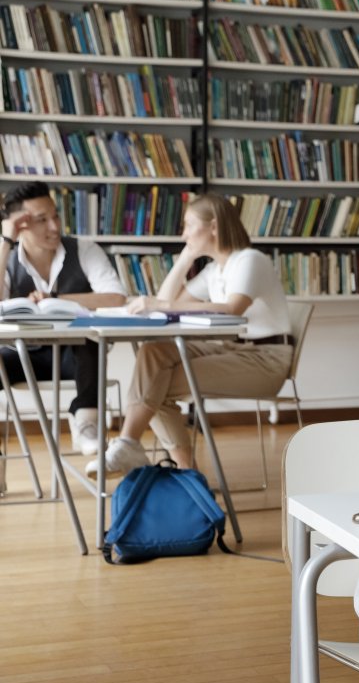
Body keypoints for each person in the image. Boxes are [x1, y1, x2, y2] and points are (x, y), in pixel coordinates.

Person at [89, 193, 293, 475]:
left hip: (266, 360)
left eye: (188, 225)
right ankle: (134, 447)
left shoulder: (249, 259)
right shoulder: (215, 269)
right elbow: (169, 299)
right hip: (232, 350)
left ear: (214, 227)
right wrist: (185, 259)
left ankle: (183, 473)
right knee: (154, 353)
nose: (183, 233)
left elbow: (233, 309)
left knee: (155, 385)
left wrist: (162, 304)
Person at [0, 181, 126, 455]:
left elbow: (116, 298)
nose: (55, 227)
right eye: (41, 220)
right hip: (24, 358)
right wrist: (6, 242)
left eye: (55, 216)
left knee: (91, 338)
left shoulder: (84, 249)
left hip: (75, 358)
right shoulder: (6, 256)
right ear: (19, 225)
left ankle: (86, 424)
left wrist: (54, 299)